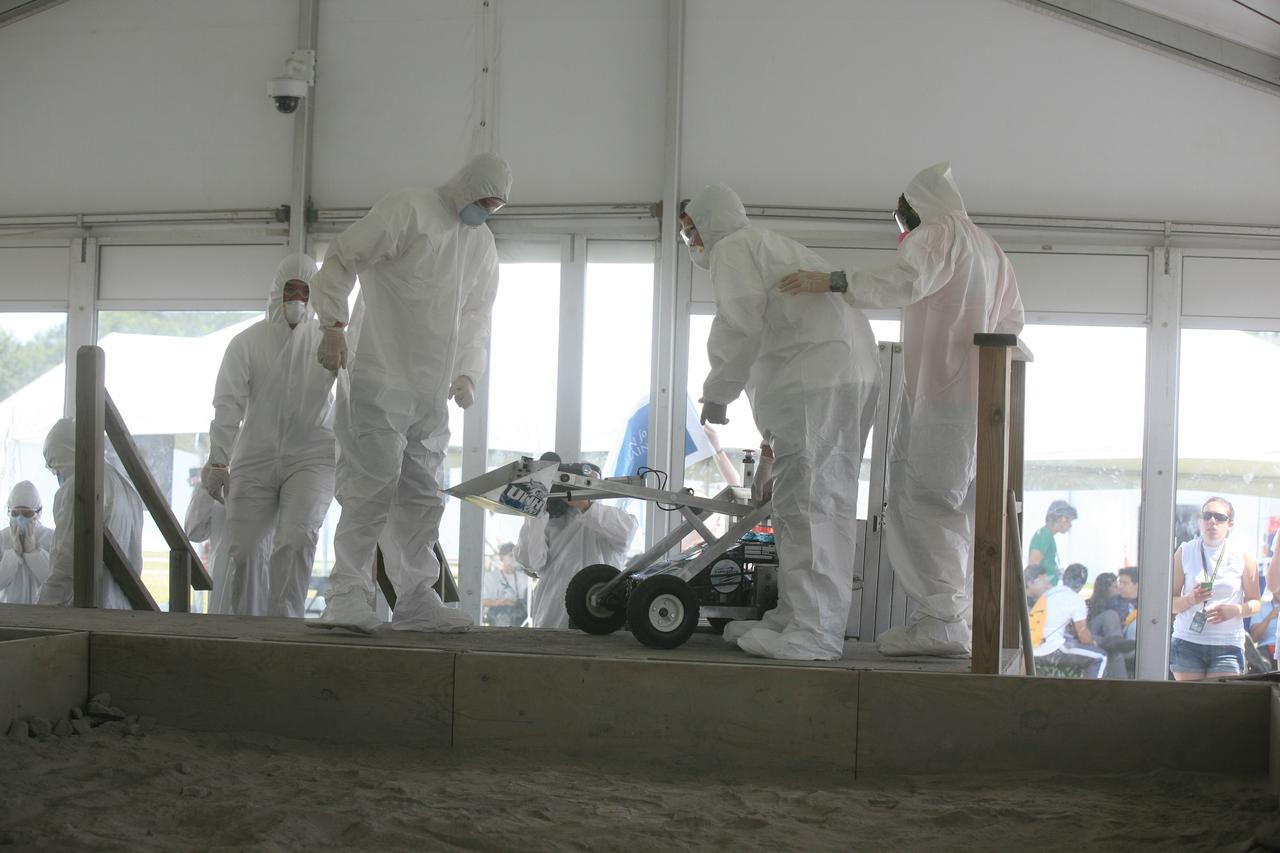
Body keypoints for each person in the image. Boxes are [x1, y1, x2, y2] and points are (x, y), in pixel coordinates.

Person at [779, 162, 1024, 657]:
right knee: (946, 504)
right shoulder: (988, 246)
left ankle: (944, 621)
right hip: (979, 395)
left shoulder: (938, 232)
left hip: (940, 393)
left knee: (922, 501)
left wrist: (833, 281)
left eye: (901, 216)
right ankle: (949, 616)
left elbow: (905, 280)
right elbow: (1014, 317)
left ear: (916, 207)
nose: (902, 227)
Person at [310, 152, 512, 634]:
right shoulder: (410, 210)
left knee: (422, 497)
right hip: (379, 378)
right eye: (483, 200)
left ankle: (417, 599)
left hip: (429, 393)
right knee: (370, 490)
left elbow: (477, 316)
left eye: (495, 207)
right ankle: (346, 596)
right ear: (467, 187)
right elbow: (342, 255)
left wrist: (468, 373)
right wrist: (333, 324)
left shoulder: (480, 243)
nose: (486, 211)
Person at [682, 184, 881, 661]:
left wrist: (716, 394)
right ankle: (796, 616)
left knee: (813, 506)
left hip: (818, 379)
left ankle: (814, 633)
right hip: (835, 376)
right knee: (806, 502)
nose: (691, 241)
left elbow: (739, 323)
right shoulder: (766, 245)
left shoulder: (733, 249)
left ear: (712, 222)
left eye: (692, 230)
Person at [202, 253, 335, 618]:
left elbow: (357, 397)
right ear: (276, 291)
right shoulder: (247, 343)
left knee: (295, 539)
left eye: (305, 291)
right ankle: (246, 629)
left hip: (312, 456)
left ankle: (285, 630)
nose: (297, 299)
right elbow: (228, 404)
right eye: (290, 289)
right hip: (255, 455)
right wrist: (219, 458)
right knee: (243, 549)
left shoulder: (329, 340)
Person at [36, 418, 144, 610]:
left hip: (90, 609)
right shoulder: (124, 486)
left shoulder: (81, 486)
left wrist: (43, 611)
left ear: (63, 455)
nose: (57, 475)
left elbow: (67, 560)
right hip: (123, 607)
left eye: (55, 468)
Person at [516, 465, 638, 629]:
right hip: (552, 615)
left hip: (598, 616)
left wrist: (585, 506)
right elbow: (531, 562)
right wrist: (536, 513)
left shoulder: (611, 517)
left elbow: (625, 533)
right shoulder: (547, 520)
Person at [1170, 497, 1260, 680]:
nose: (1212, 521)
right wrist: (1189, 599)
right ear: (1200, 521)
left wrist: (1236, 610)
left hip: (1227, 644)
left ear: (1230, 524)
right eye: (1207, 515)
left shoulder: (1242, 555)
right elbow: (1168, 604)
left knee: (1221, 704)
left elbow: (1256, 602)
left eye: (1219, 517)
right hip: (1188, 641)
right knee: (1188, 702)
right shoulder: (1185, 551)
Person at [1029, 562, 1116, 678]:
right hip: (1051, 649)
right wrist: (1092, 643)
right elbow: (1083, 636)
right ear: (1081, 585)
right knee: (1101, 657)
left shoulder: (1049, 593)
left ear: (1064, 578)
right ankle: (1091, 693)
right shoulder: (1076, 600)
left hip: (1032, 648)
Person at [0, 481, 53, 604]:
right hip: (6, 615)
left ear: (38, 513)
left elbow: (55, 583)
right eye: (15, 513)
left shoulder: (51, 537)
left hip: (42, 616)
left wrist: (33, 554)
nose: (20, 518)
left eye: (27, 513)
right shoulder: (2, 538)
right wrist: (13, 555)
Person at [1028, 500, 1077, 586]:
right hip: (1042, 594)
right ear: (1061, 518)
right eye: (1069, 520)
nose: (1070, 525)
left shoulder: (1048, 536)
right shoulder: (1043, 535)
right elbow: (1033, 569)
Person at [482, 542, 530, 627]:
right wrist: (504, 602)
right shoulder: (491, 577)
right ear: (501, 558)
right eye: (510, 555)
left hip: (519, 620)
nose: (514, 559)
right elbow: (484, 601)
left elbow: (528, 603)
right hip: (498, 619)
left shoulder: (524, 578)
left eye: (516, 556)